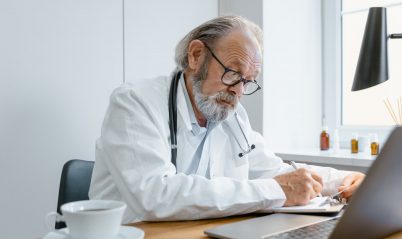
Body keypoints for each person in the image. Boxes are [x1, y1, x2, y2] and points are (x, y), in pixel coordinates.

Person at [89, 16, 365, 223]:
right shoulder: (135, 102)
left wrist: (343, 180)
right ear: (196, 56)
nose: (238, 91)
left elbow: (272, 170)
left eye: (248, 81)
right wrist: (275, 190)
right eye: (233, 73)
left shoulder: (231, 115)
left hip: (200, 238)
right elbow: (154, 196)